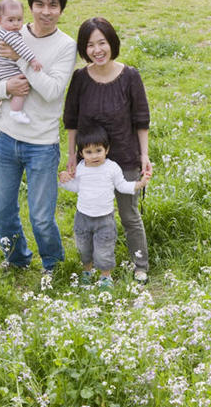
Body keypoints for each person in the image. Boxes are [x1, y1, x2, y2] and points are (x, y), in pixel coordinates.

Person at [0, 0, 77, 275]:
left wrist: (19, 60)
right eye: (40, 5)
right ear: (30, 6)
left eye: (53, 6)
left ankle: (52, 266)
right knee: (3, 213)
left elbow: (52, 90)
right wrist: (6, 88)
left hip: (42, 145)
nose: (46, 12)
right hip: (5, 138)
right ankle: (17, 259)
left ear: (61, 9)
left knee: (41, 216)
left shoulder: (65, 46)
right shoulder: (10, 29)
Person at [63, 17, 152, 283]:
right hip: (90, 162)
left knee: (129, 215)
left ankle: (140, 264)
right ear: (84, 49)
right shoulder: (80, 78)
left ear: (112, 43)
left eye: (102, 42)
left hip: (125, 157)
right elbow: (71, 120)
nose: (97, 50)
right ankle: (92, 266)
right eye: (90, 45)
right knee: (90, 213)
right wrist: (71, 156)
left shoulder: (130, 77)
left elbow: (141, 119)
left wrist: (143, 155)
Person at [58, 126, 150, 289]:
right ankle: (87, 271)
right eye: (89, 152)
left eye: (98, 150)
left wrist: (139, 184)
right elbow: (76, 187)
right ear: (81, 154)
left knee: (104, 249)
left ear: (107, 150)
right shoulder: (81, 168)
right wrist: (63, 180)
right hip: (83, 217)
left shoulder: (112, 168)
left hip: (105, 219)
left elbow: (121, 186)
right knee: (84, 247)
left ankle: (105, 277)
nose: (94, 156)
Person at [0, 0, 42, 124]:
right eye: (11, 20)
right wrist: (32, 60)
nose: (16, 24)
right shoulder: (10, 34)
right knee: (22, 84)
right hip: (6, 70)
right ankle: (16, 111)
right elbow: (22, 48)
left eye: (19, 19)